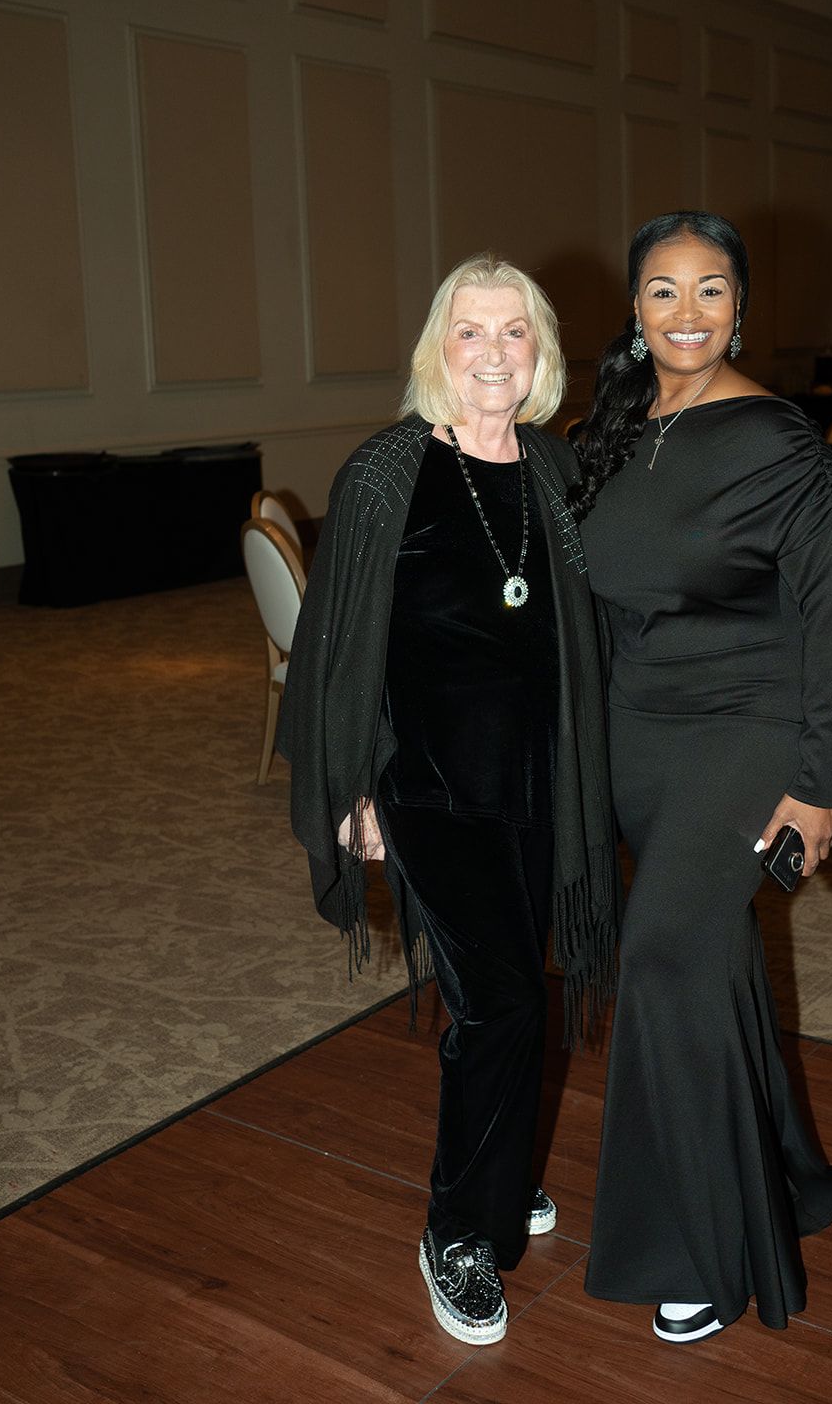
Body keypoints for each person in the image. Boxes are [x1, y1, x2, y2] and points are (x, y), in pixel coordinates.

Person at [277, 253, 619, 1348]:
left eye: (514, 331)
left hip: (539, 786)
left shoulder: (558, 470)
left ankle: (499, 1169)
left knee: (515, 992)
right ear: (439, 347)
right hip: (427, 786)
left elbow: (604, 619)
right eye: (470, 330)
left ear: (540, 352)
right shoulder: (390, 472)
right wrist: (354, 786)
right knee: (502, 1001)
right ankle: (458, 1232)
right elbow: (337, 647)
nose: (492, 352)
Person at [571, 211, 832, 1344]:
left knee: (661, 958)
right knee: (706, 959)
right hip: (637, 737)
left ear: (739, 307)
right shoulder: (612, 428)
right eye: (662, 290)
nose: (685, 312)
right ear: (634, 309)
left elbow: (831, 622)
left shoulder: (777, 441)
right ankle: (776, 1178)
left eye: (709, 290)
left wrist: (816, 782)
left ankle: (698, 1250)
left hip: (745, 732)